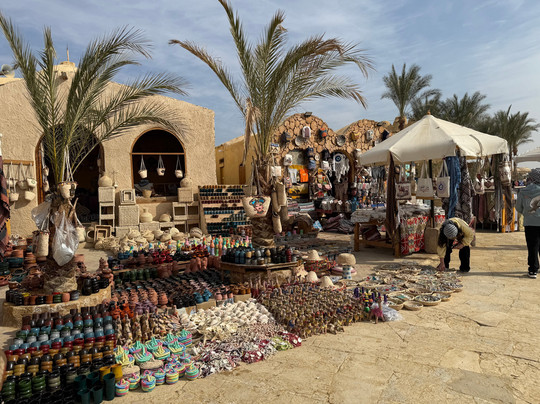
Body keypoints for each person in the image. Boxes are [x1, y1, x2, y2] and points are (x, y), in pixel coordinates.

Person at [516, 168, 540, 278]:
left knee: (532, 246)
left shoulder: (524, 191)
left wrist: (527, 213)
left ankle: (533, 270)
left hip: (530, 222)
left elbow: (518, 207)